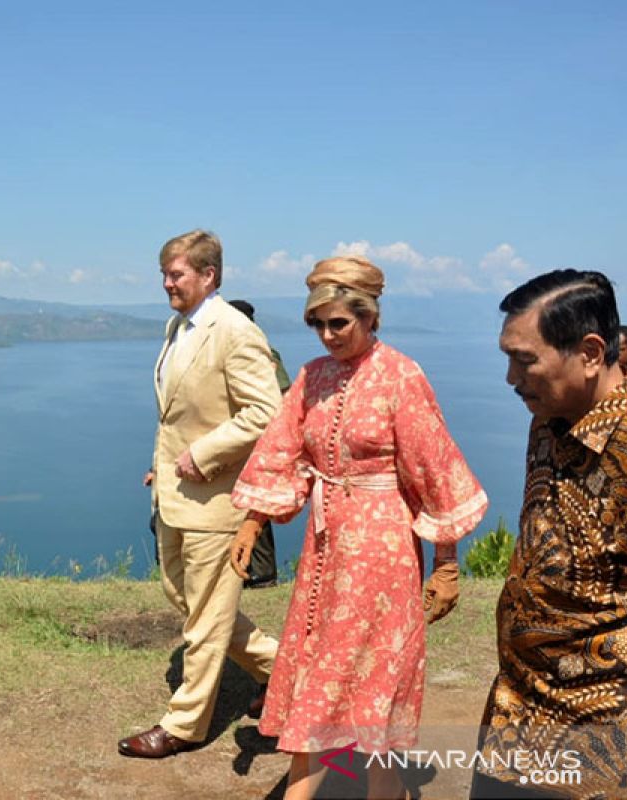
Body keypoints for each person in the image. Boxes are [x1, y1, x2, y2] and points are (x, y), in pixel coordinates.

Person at [229, 256, 488, 800]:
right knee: (321, 664)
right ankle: (345, 787)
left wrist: (445, 564)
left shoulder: (401, 375)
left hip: (384, 551)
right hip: (325, 552)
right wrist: (253, 521)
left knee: (374, 670)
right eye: (317, 324)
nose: (327, 335)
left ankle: (377, 788)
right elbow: (282, 449)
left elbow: (434, 471)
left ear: (370, 318)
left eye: (338, 323)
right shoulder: (312, 376)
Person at [474, 270, 627, 798]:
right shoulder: (546, 422)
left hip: (618, 745)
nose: (511, 378)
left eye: (525, 360)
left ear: (590, 352)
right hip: (517, 724)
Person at [119, 230, 281, 759]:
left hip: (215, 499)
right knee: (187, 599)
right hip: (173, 492)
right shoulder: (177, 327)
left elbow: (267, 413)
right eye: (165, 274)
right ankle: (286, 672)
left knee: (207, 615)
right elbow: (176, 417)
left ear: (209, 275)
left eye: (176, 274)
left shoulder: (233, 330)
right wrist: (161, 467)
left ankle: (185, 725)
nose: (166, 282)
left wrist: (205, 454)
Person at [228, 298, 288, 589]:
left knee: (254, 507)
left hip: (257, 441)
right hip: (240, 438)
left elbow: (282, 394)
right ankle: (242, 569)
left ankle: (262, 575)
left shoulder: (262, 352)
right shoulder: (250, 348)